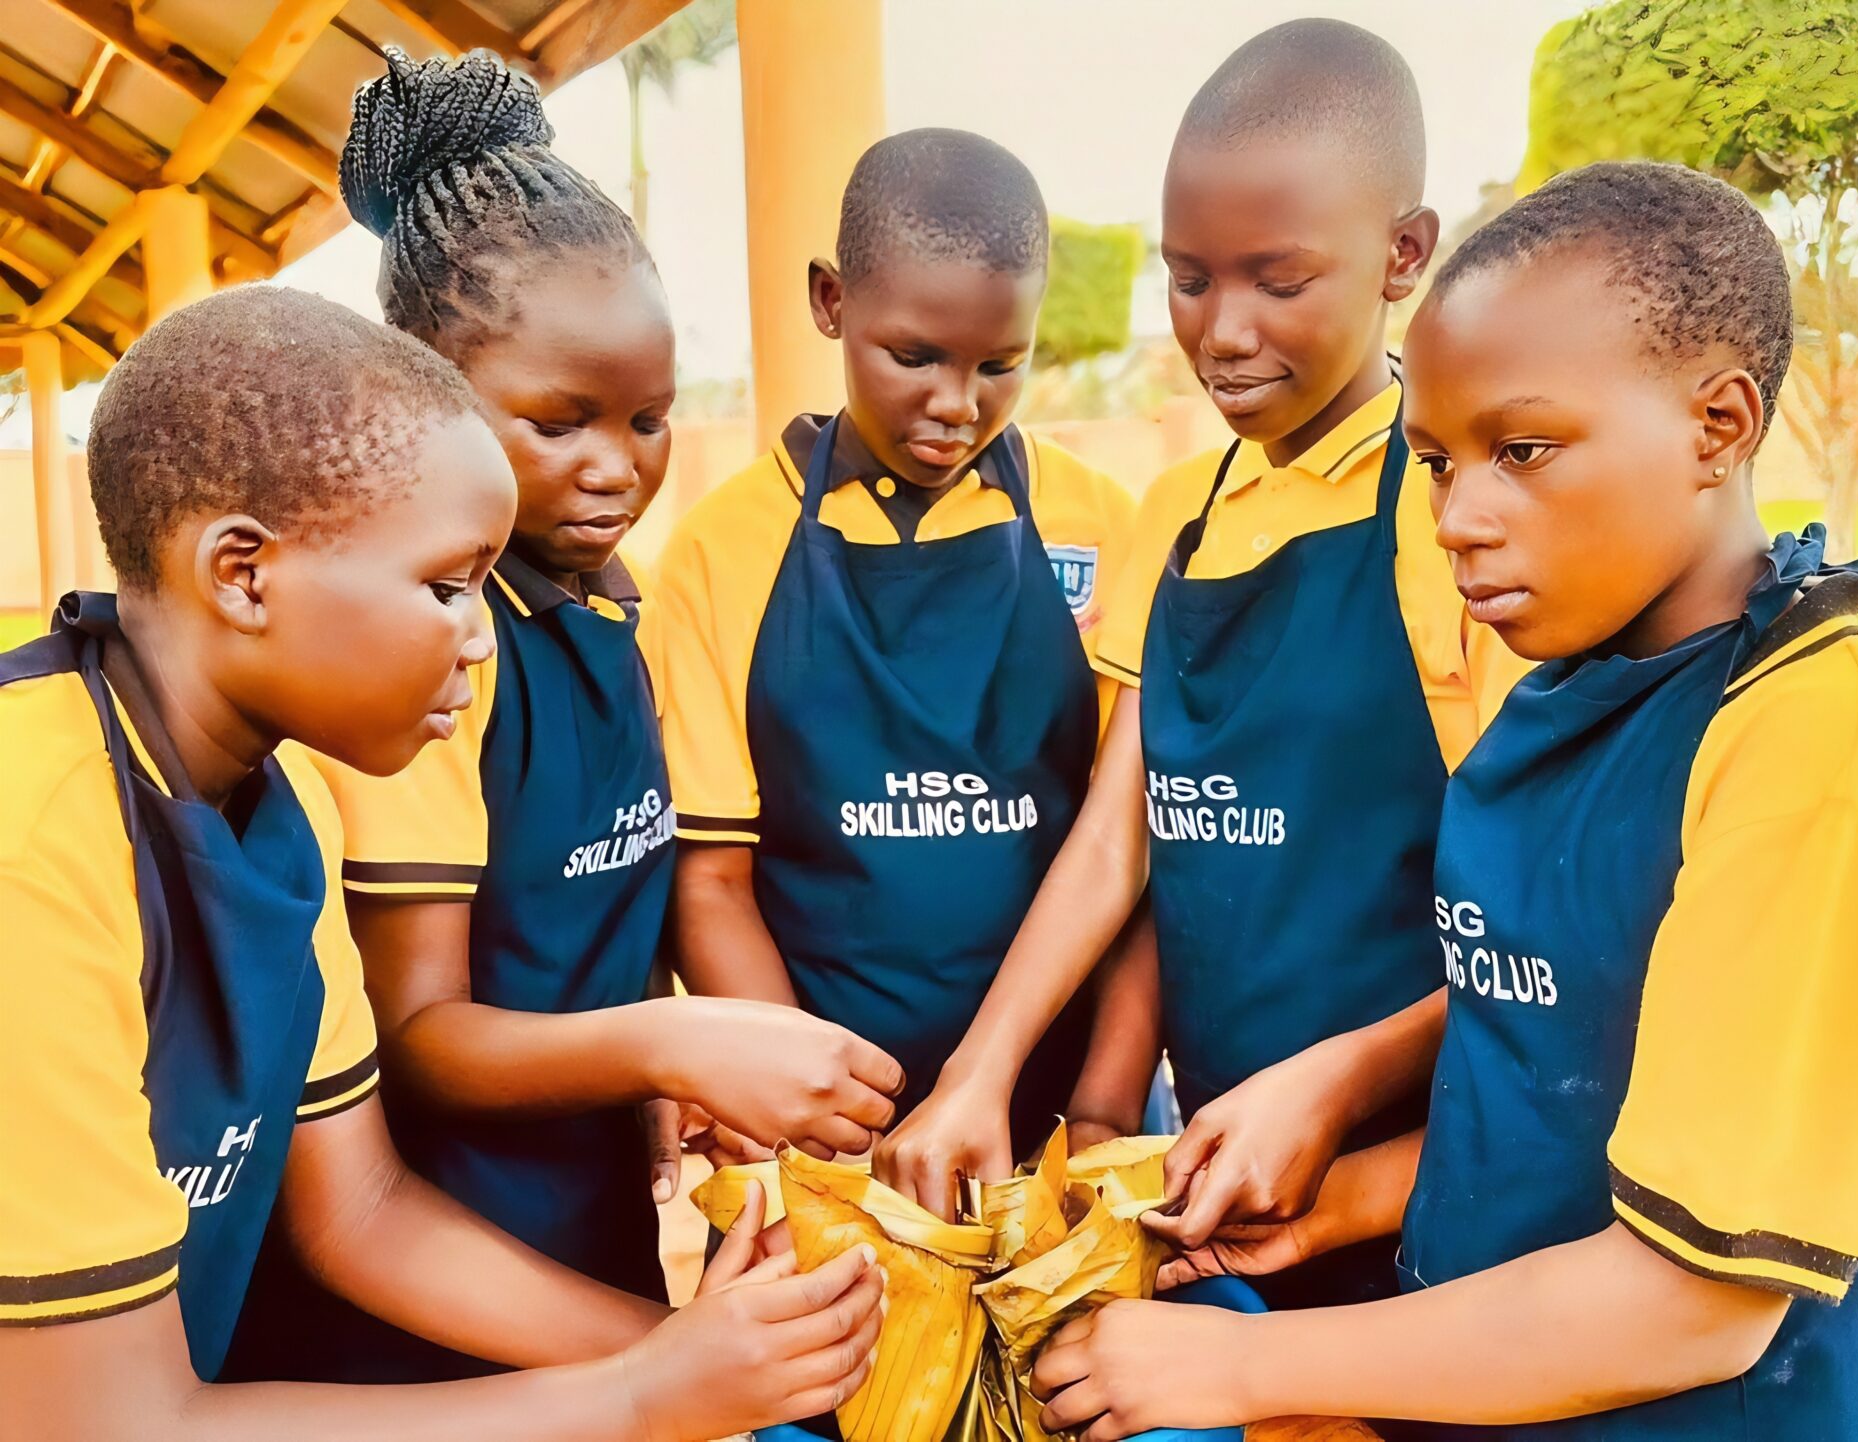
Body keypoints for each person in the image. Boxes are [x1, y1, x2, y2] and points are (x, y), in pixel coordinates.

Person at [1030, 161, 1858, 1441]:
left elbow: (1696, 1301)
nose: (1459, 517)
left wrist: (1241, 1371)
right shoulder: (1566, 687)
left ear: (1718, 425)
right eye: (1438, 461)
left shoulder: (1813, 728)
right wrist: (1339, 1190)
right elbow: (1564, 1054)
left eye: (1524, 450)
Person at [0, 287, 885, 1442]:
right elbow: (103, 1420)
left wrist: (704, 1348)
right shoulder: (36, 840)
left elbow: (359, 1209)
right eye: (446, 585)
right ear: (244, 574)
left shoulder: (281, 803)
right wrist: (635, 1395)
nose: (479, 634)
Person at [224, 49, 905, 1386]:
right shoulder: (432, 660)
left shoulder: (615, 607)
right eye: (557, 421)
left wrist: (663, 1074)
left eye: (649, 417)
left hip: (587, 1239)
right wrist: (670, 1035)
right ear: (425, 389)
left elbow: (598, 914)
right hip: (433, 1302)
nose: (617, 466)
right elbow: (419, 1040)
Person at [879, 22, 1528, 1308]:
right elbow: (1127, 833)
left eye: (1278, 280)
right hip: (1220, 1163)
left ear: (1404, 253)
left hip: (1437, 1162)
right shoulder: (1177, 508)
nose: (1223, 331)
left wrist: (1340, 1083)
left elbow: (1549, 937)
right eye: (1188, 278)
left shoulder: (1456, 518)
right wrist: (994, 1074)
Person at [654, 127, 1138, 1187]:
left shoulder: (1101, 525)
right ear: (832, 302)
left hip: (1052, 1133)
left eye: (1000, 364)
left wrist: (1097, 1114)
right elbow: (711, 881)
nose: (957, 402)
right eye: (914, 356)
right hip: (817, 1142)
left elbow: (1127, 856)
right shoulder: (722, 549)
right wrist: (822, 1127)